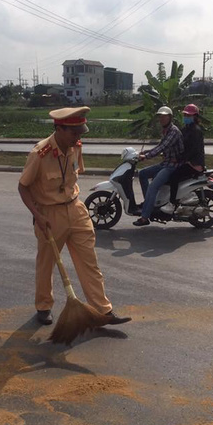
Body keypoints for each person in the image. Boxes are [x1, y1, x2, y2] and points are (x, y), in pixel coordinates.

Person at [18, 107, 131, 326]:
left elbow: (72, 177)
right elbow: (23, 187)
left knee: (90, 263)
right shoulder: (39, 154)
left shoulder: (75, 147)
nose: (78, 137)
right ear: (58, 129)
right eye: (73, 133)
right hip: (49, 215)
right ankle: (43, 306)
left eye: (80, 133)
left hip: (77, 209)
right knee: (46, 263)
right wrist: (37, 215)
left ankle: (102, 311)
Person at [133, 106, 184, 226]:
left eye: (164, 116)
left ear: (170, 117)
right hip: (165, 163)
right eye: (160, 116)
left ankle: (145, 217)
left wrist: (146, 157)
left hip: (173, 165)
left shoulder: (173, 132)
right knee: (142, 174)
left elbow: (162, 147)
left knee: (153, 186)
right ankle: (149, 203)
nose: (161, 119)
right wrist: (143, 153)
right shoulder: (166, 130)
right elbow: (159, 146)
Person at [161, 103, 206, 214]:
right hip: (188, 161)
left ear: (195, 117)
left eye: (189, 115)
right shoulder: (186, 129)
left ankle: (173, 203)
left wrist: (179, 159)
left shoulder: (196, 130)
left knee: (174, 176)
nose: (186, 117)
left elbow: (192, 150)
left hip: (194, 164)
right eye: (185, 115)